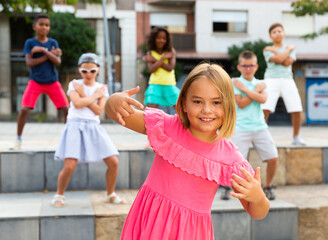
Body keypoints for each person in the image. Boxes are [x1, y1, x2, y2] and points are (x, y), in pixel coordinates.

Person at [105, 62, 270, 239]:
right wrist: (112, 101)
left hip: (190, 233)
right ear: (183, 104)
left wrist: (257, 196)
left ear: (229, 106)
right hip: (150, 223)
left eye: (216, 102)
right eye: (198, 101)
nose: (207, 110)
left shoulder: (230, 157)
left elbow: (259, 212)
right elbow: (119, 115)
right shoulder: (166, 126)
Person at [52, 53, 125, 207]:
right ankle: (59, 194)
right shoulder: (74, 84)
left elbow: (99, 111)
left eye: (92, 71)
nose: (88, 74)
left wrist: (85, 95)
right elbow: (77, 104)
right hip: (74, 125)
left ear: (98, 70)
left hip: (93, 126)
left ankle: (110, 193)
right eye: (85, 71)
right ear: (79, 70)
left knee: (113, 162)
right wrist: (92, 95)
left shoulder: (101, 88)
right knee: (70, 165)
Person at [220, 51, 278, 201]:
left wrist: (247, 90)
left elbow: (263, 99)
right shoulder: (234, 82)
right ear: (239, 67)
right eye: (245, 66)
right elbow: (242, 103)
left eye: (251, 65)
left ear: (256, 66)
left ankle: (268, 186)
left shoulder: (260, 83)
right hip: (239, 127)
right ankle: (227, 187)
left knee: (273, 158)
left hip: (260, 126)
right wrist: (255, 91)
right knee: (233, 162)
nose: (248, 68)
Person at [10, 13, 69, 150]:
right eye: (41, 24)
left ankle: (67, 139)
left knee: (66, 110)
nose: (44, 27)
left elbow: (58, 61)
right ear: (34, 26)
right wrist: (49, 54)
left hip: (52, 82)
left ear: (49, 28)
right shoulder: (30, 43)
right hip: (35, 82)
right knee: (24, 109)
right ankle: (18, 139)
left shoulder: (53, 42)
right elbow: (30, 63)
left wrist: (42, 51)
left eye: (47, 25)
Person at [262, 22, 306, 145]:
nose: (277, 34)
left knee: (297, 108)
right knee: (265, 108)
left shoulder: (280, 49)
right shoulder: (267, 49)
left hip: (287, 79)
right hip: (271, 79)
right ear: (270, 36)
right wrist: (287, 50)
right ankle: (262, 137)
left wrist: (277, 52)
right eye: (274, 32)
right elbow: (281, 59)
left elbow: (287, 63)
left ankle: (296, 137)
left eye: (279, 31)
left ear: (284, 33)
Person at [142, 27, 180, 115]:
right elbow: (151, 69)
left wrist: (155, 60)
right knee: (150, 113)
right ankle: (151, 129)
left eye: (164, 38)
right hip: (155, 85)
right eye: (158, 37)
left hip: (169, 84)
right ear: (154, 39)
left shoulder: (171, 51)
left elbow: (170, 67)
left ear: (167, 40)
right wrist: (163, 58)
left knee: (181, 110)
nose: (161, 40)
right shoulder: (150, 53)